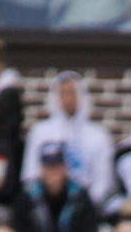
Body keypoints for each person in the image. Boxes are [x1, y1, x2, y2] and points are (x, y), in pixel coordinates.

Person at [26, 70, 114, 207]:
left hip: (87, 207)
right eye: (63, 93)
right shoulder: (40, 132)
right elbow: (30, 174)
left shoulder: (99, 135)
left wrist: (84, 205)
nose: (68, 99)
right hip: (47, 206)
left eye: (73, 93)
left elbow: (104, 180)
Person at [18, 141, 100, 232]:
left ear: (65, 167)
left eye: (57, 166)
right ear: (41, 169)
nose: (53, 172)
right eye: (48, 167)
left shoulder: (80, 196)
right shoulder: (28, 197)